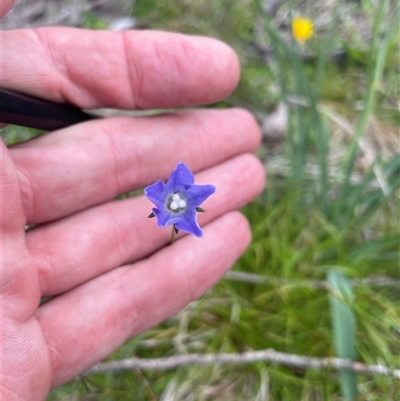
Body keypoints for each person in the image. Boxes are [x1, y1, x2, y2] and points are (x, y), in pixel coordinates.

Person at [0, 0, 264, 399]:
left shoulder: (182, 208)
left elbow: (181, 210)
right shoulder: (170, 200)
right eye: (174, 204)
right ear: (171, 200)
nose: (177, 207)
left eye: (178, 206)